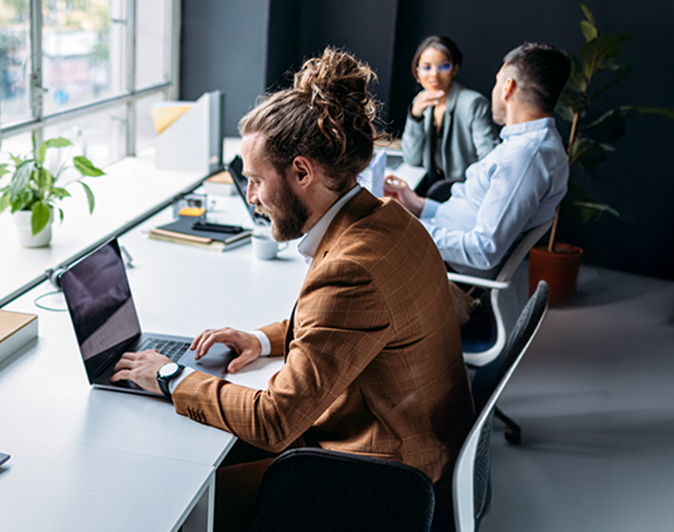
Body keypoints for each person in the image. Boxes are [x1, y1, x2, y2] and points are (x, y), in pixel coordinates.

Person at [111, 48, 473, 530]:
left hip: (377, 487)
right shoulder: (387, 222)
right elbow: (350, 327)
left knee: (172, 497)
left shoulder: (352, 269)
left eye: (256, 181)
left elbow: (275, 422)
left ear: (303, 172)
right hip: (418, 451)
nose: (251, 197)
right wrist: (260, 340)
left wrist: (170, 376)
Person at [386, 42, 572, 279]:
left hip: (447, 265)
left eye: (496, 81)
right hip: (444, 239)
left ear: (507, 87)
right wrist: (419, 206)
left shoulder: (525, 156)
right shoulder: (526, 143)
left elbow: (484, 251)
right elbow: (474, 213)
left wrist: (406, 229)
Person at [402, 35, 500, 202]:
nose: (434, 74)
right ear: (417, 73)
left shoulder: (473, 103)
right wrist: (415, 116)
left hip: (464, 192)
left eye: (444, 66)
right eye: (426, 67)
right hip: (430, 188)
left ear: (455, 69)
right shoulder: (421, 103)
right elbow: (412, 159)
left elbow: (489, 159)